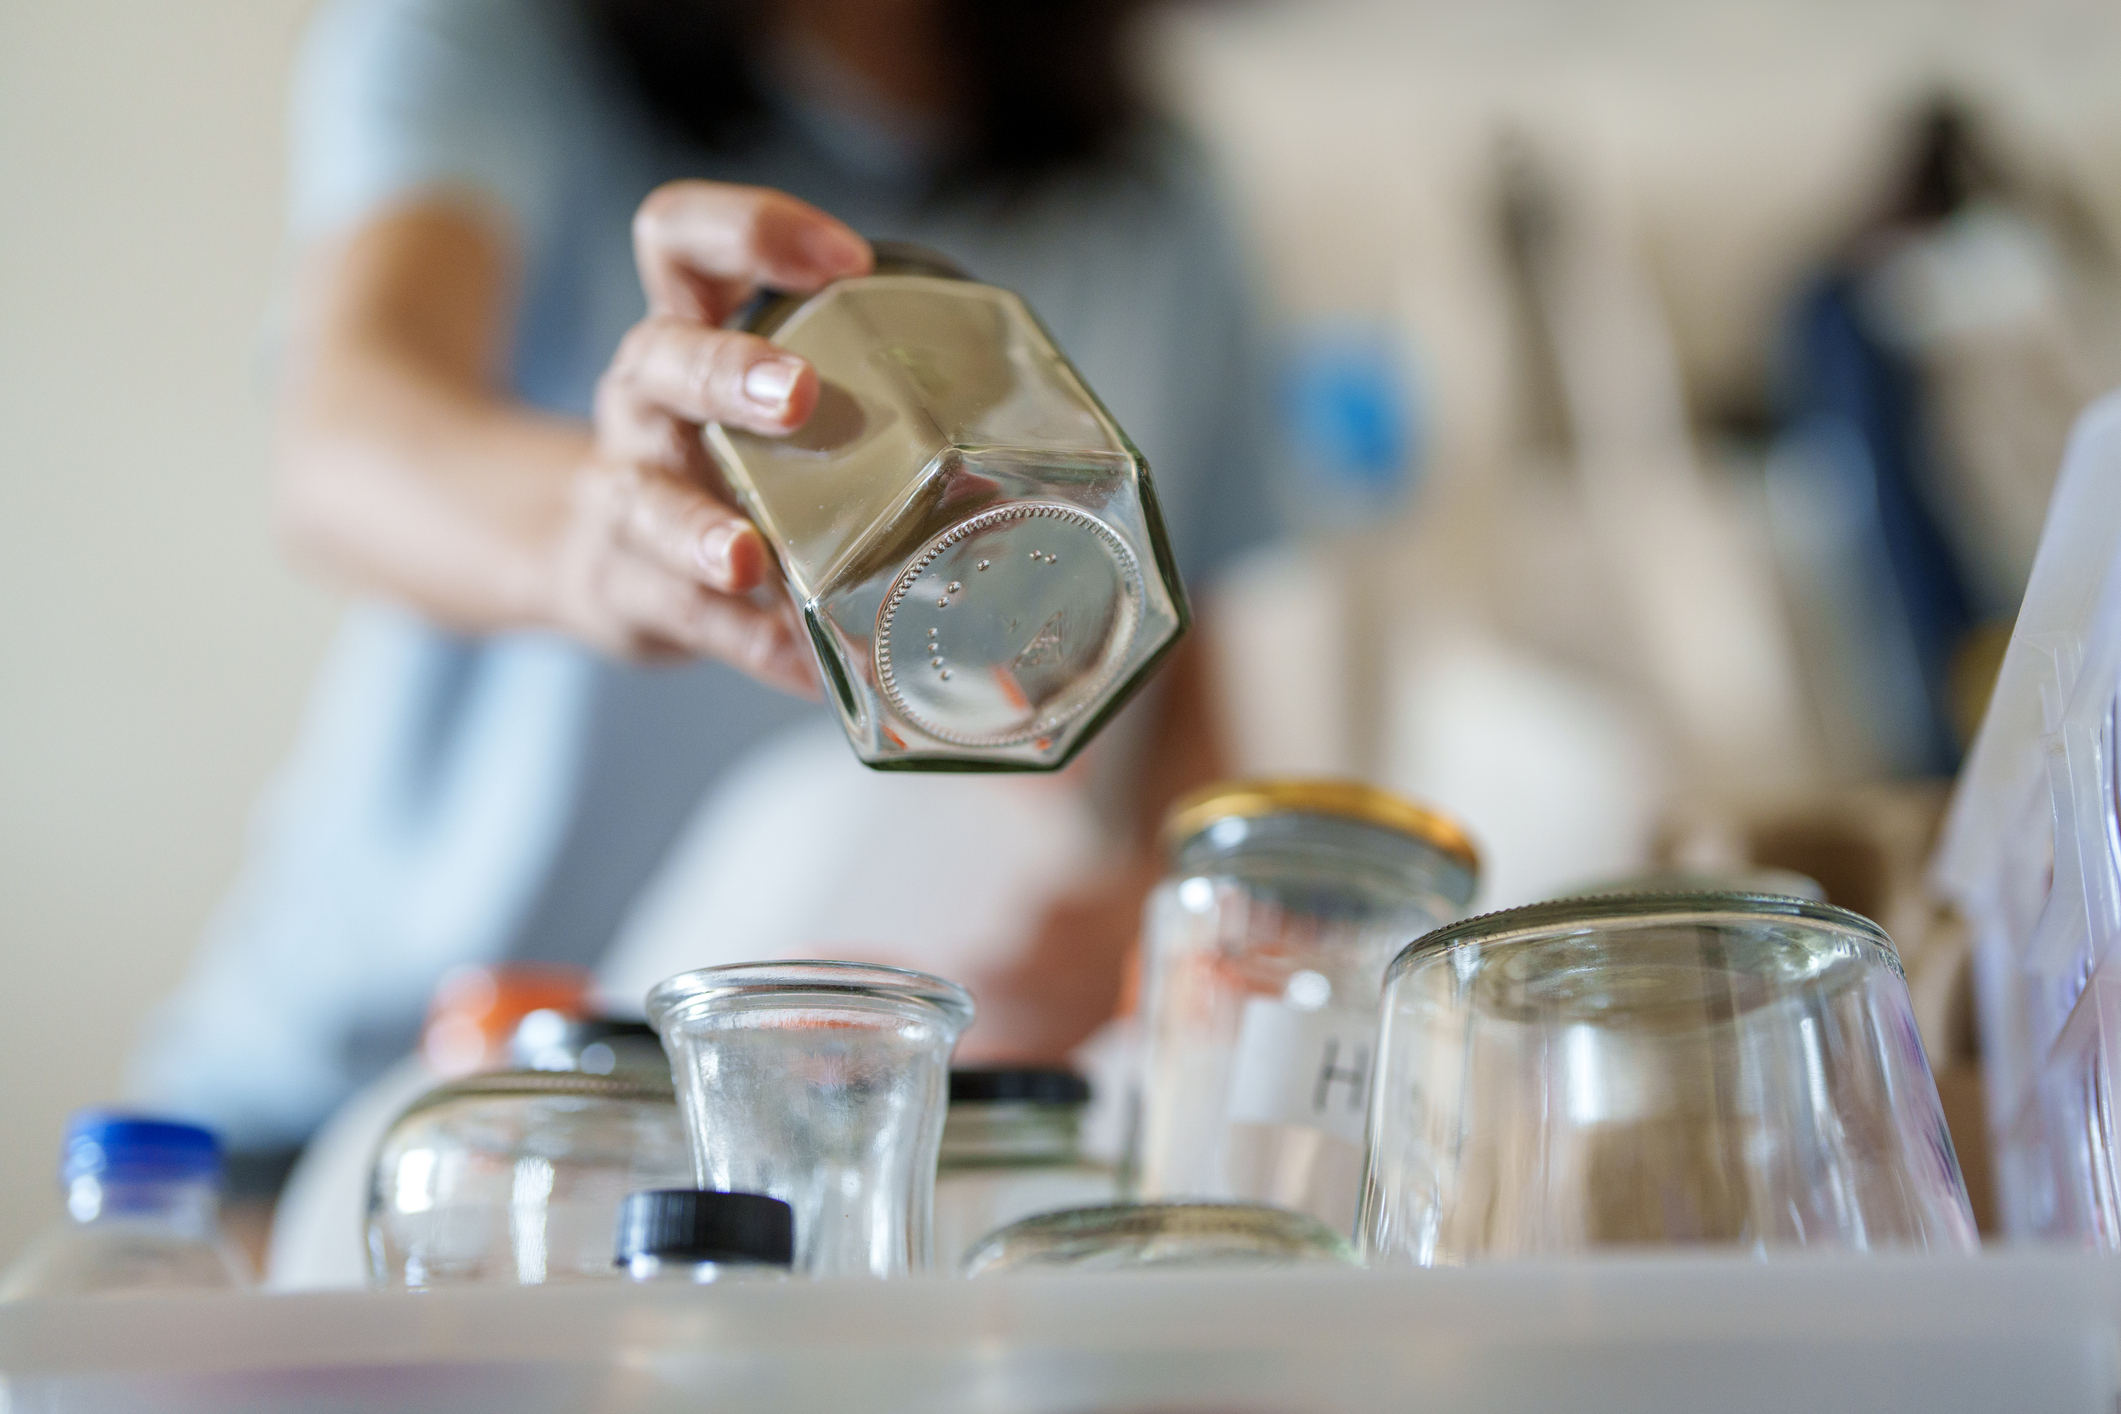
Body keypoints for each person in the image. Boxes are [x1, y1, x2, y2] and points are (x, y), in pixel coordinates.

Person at [128, 0, 1278, 1167]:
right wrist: (597, 531)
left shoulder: (1157, 200)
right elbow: (344, 440)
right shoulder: (497, 40)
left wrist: (1155, 933)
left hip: (796, 1165)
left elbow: (1188, 710)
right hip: (369, 1104)